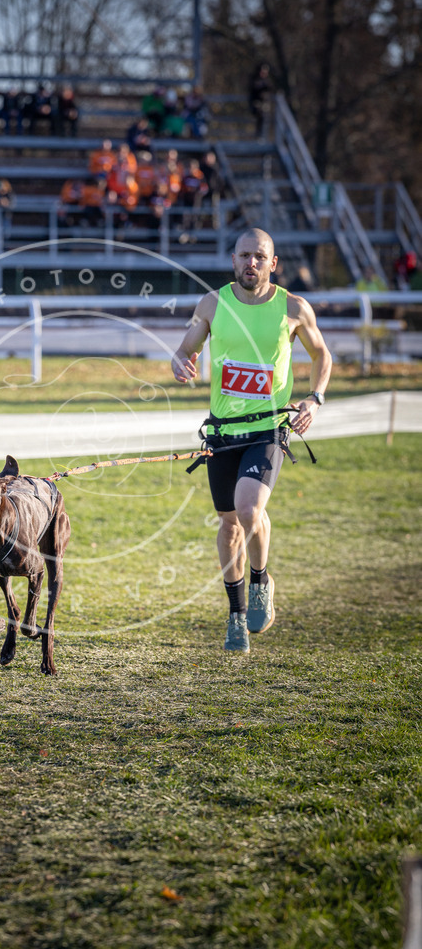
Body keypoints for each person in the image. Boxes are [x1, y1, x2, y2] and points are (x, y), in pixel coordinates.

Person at [170, 227, 332, 654]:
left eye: (260, 257)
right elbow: (186, 348)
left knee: (248, 508)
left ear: (272, 263)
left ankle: (261, 580)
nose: (251, 263)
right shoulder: (213, 303)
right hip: (223, 433)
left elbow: (322, 356)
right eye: (244, 255)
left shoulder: (293, 308)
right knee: (229, 524)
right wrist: (179, 362)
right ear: (233, 259)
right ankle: (237, 615)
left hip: (267, 428)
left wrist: (314, 399)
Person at [248, 62, 273, 139]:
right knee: (261, 114)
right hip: (256, 104)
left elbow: (270, 90)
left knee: (265, 115)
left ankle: (262, 135)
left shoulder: (267, 81)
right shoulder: (255, 80)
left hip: (264, 106)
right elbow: (255, 90)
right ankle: (259, 135)